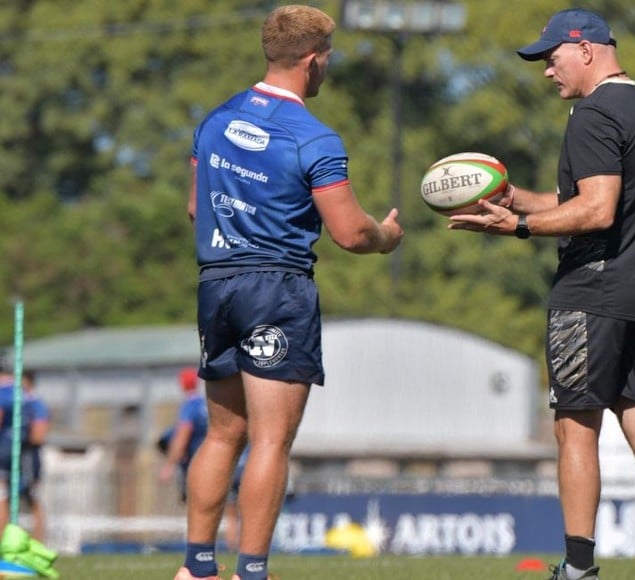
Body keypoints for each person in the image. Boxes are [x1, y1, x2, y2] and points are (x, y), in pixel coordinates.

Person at [448, 8, 635, 580]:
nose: (546, 70)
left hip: (594, 293)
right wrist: (517, 199)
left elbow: (597, 210)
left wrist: (520, 227)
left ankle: (579, 568)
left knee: (575, 428)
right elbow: (594, 199)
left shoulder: (593, 113)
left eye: (551, 58)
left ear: (585, 51)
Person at [176, 5, 403, 580]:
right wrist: (386, 236)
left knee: (222, 434)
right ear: (312, 61)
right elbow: (351, 233)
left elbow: (196, 207)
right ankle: (252, 572)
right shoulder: (313, 137)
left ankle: (196, 569)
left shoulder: (215, 120)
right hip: (276, 289)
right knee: (271, 440)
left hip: (216, 284)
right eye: (328, 58)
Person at [158, 367, 209, 502]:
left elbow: (182, 436)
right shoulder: (206, 405)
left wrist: (169, 466)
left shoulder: (189, 406)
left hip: (193, 463)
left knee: (195, 503)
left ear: (182, 384)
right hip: (210, 460)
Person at [20, 371, 51, 543]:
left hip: (28, 459)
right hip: (11, 457)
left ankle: (38, 542)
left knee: (33, 499)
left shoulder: (35, 404)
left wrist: (22, 437)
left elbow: (39, 435)